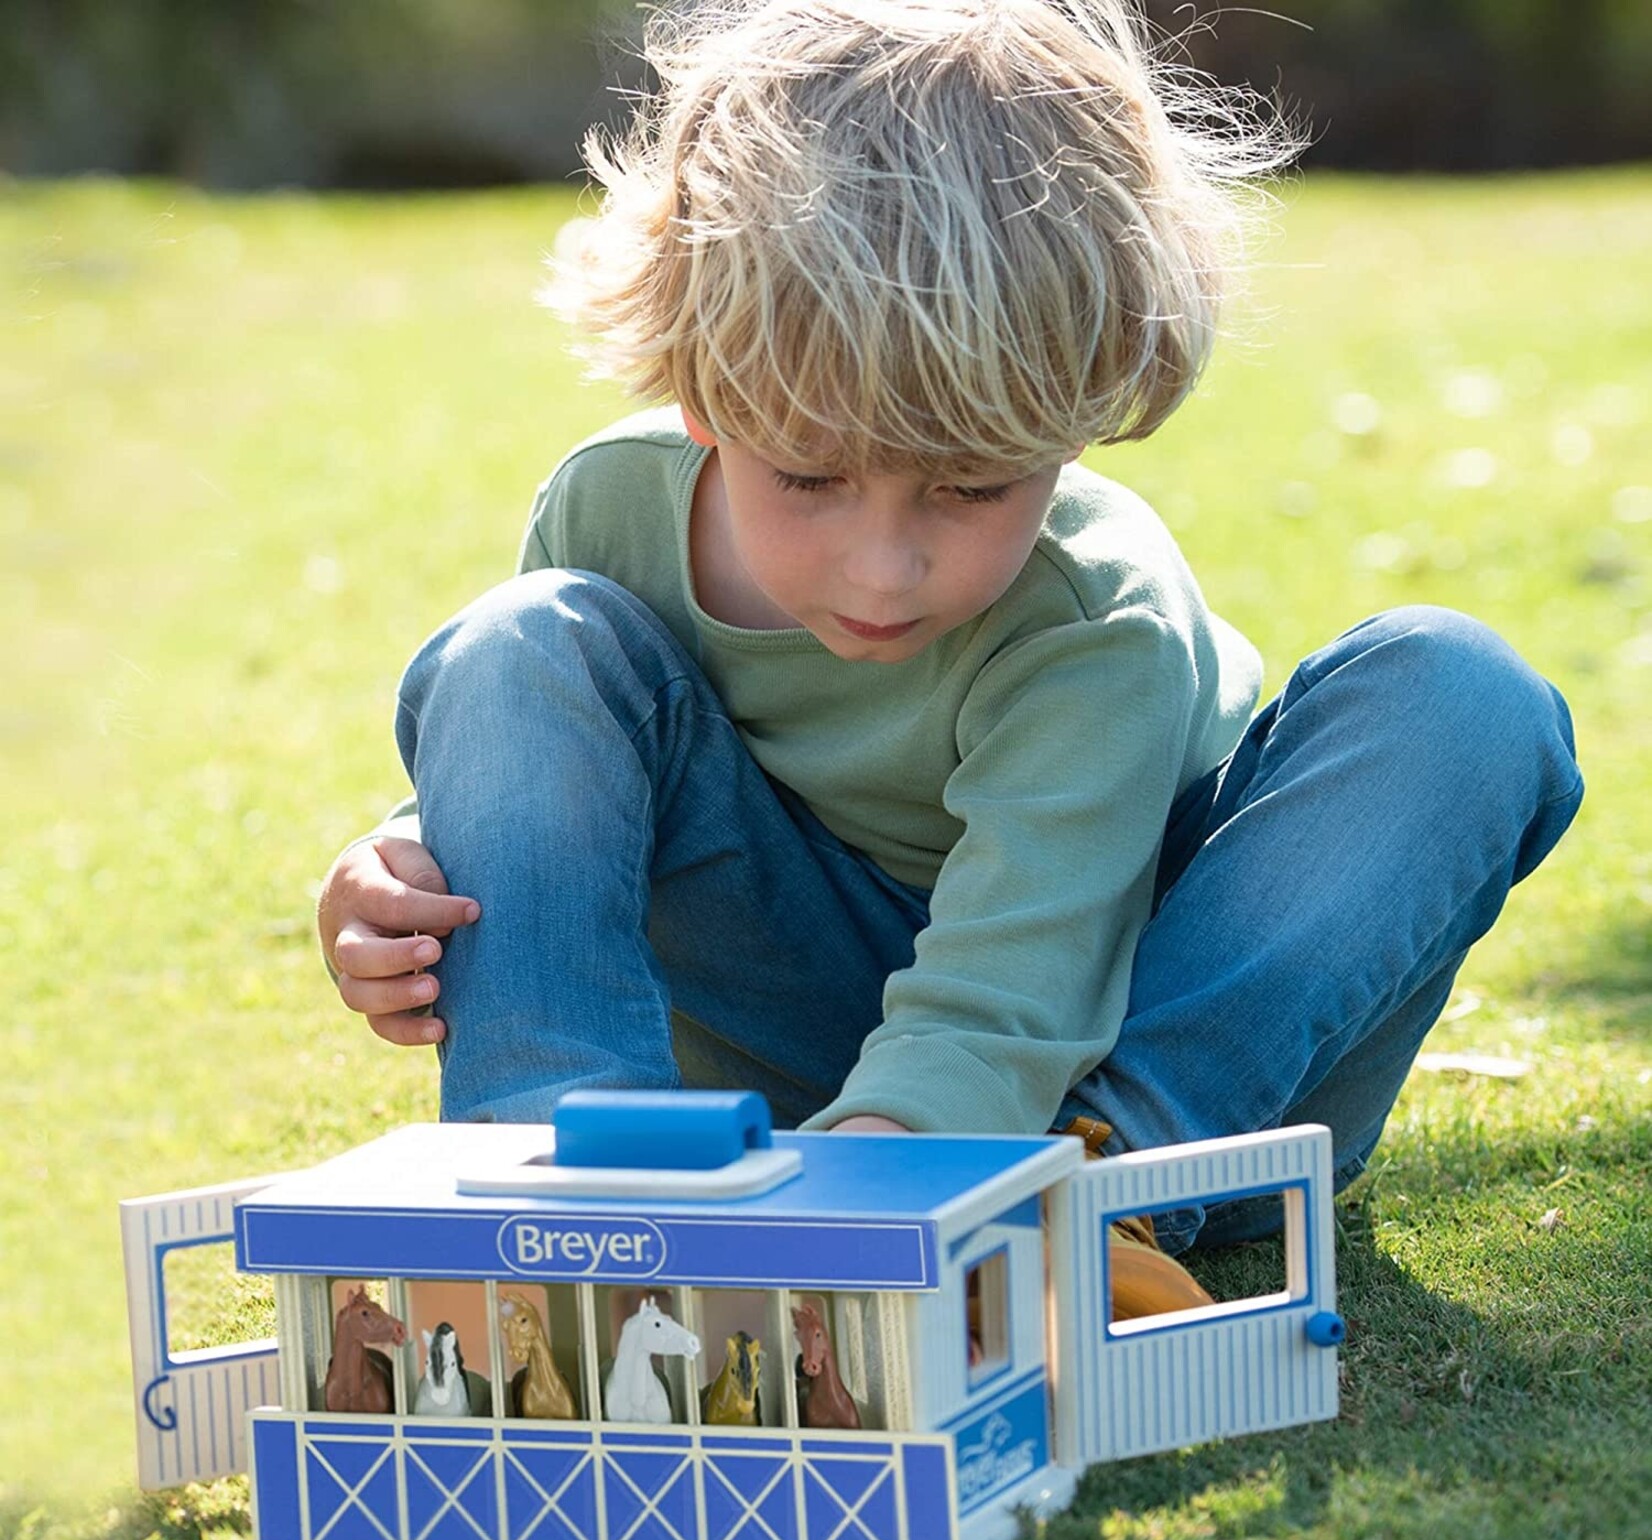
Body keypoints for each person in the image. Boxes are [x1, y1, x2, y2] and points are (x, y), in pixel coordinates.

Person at [315, 0, 1582, 1306]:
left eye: (972, 489)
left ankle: (1090, 1195)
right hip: (804, 1048)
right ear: (701, 388)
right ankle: (559, 1212)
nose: (885, 565)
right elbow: (546, 766)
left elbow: (1021, 966)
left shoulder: (1094, 613)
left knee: (1462, 690)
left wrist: (887, 1195)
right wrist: (414, 860)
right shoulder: (608, 516)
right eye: (809, 476)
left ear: (1080, 415)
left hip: (1171, 1050)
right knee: (520, 639)